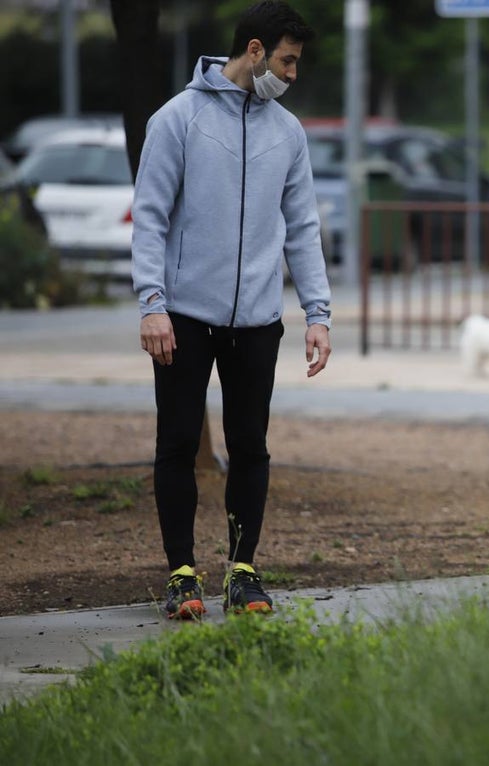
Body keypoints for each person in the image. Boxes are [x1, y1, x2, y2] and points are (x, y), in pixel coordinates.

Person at [131, 1, 331, 619]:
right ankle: (181, 575)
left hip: (258, 322)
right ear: (254, 51)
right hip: (184, 317)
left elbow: (303, 227)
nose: (292, 74)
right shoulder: (178, 119)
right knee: (177, 442)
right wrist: (152, 303)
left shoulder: (288, 133)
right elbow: (149, 217)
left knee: (250, 447)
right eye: (287, 61)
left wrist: (317, 313)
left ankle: (242, 572)